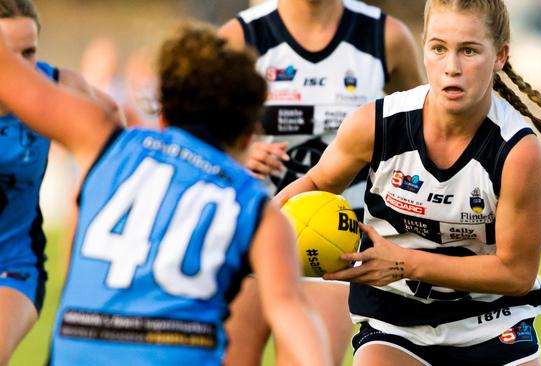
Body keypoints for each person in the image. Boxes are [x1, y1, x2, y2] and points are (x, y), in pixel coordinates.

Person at [274, 0, 541, 365]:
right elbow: (316, 182)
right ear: (424, 47)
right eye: (439, 48)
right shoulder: (374, 125)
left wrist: (406, 263)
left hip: (492, 323)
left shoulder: (517, 152)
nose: (451, 68)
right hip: (394, 322)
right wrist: (256, 223)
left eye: (469, 51)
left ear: (500, 55)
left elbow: (516, 273)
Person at [0, 23, 332, 366]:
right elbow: (293, 314)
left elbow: (12, 75)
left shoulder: (103, 141)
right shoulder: (257, 208)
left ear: (163, 113)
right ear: (249, 134)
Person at [218, 0, 424, 364]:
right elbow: (190, 137)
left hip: (335, 243)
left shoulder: (385, 37)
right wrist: (237, 154)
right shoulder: (241, 37)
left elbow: (425, 132)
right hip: (247, 229)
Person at [0, 1, 121, 363]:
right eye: (9, 55)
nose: (24, 68)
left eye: (30, 52)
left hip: (14, 263)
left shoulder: (57, 86)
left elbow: (112, 122)